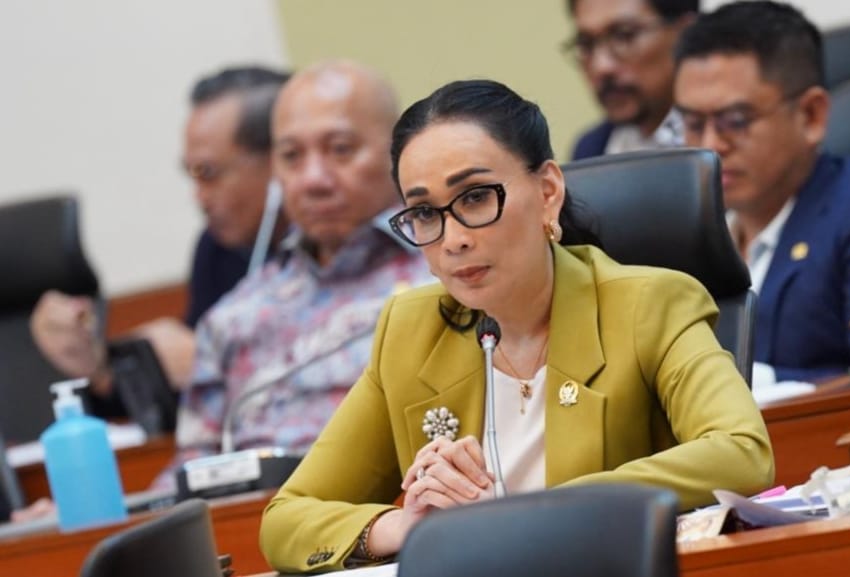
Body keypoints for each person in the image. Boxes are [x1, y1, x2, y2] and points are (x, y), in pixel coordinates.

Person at [259, 79, 773, 572]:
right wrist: (407, 526)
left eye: (475, 197)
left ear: (547, 191)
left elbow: (741, 453)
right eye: (425, 213)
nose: (453, 239)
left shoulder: (649, 304)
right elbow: (287, 519)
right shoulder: (410, 331)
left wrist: (520, 517)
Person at [162, 61, 432, 477]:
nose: (313, 179)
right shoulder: (234, 315)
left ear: (397, 150)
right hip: (247, 511)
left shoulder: (446, 274)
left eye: (340, 149)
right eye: (291, 156)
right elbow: (189, 471)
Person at [672, 1, 850, 384]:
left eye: (734, 121)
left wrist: (754, 389)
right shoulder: (684, 238)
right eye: (691, 123)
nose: (709, 145)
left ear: (811, 115)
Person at [29, 66, 290, 405]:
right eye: (191, 175)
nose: (199, 198)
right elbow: (186, 404)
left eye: (208, 173)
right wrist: (99, 370)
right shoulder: (217, 248)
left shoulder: (340, 248)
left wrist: (215, 364)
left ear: (280, 161)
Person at [567, 0, 698, 160]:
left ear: (686, 33)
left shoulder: (719, 146)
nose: (601, 67)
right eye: (586, 44)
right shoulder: (591, 151)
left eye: (624, 35)